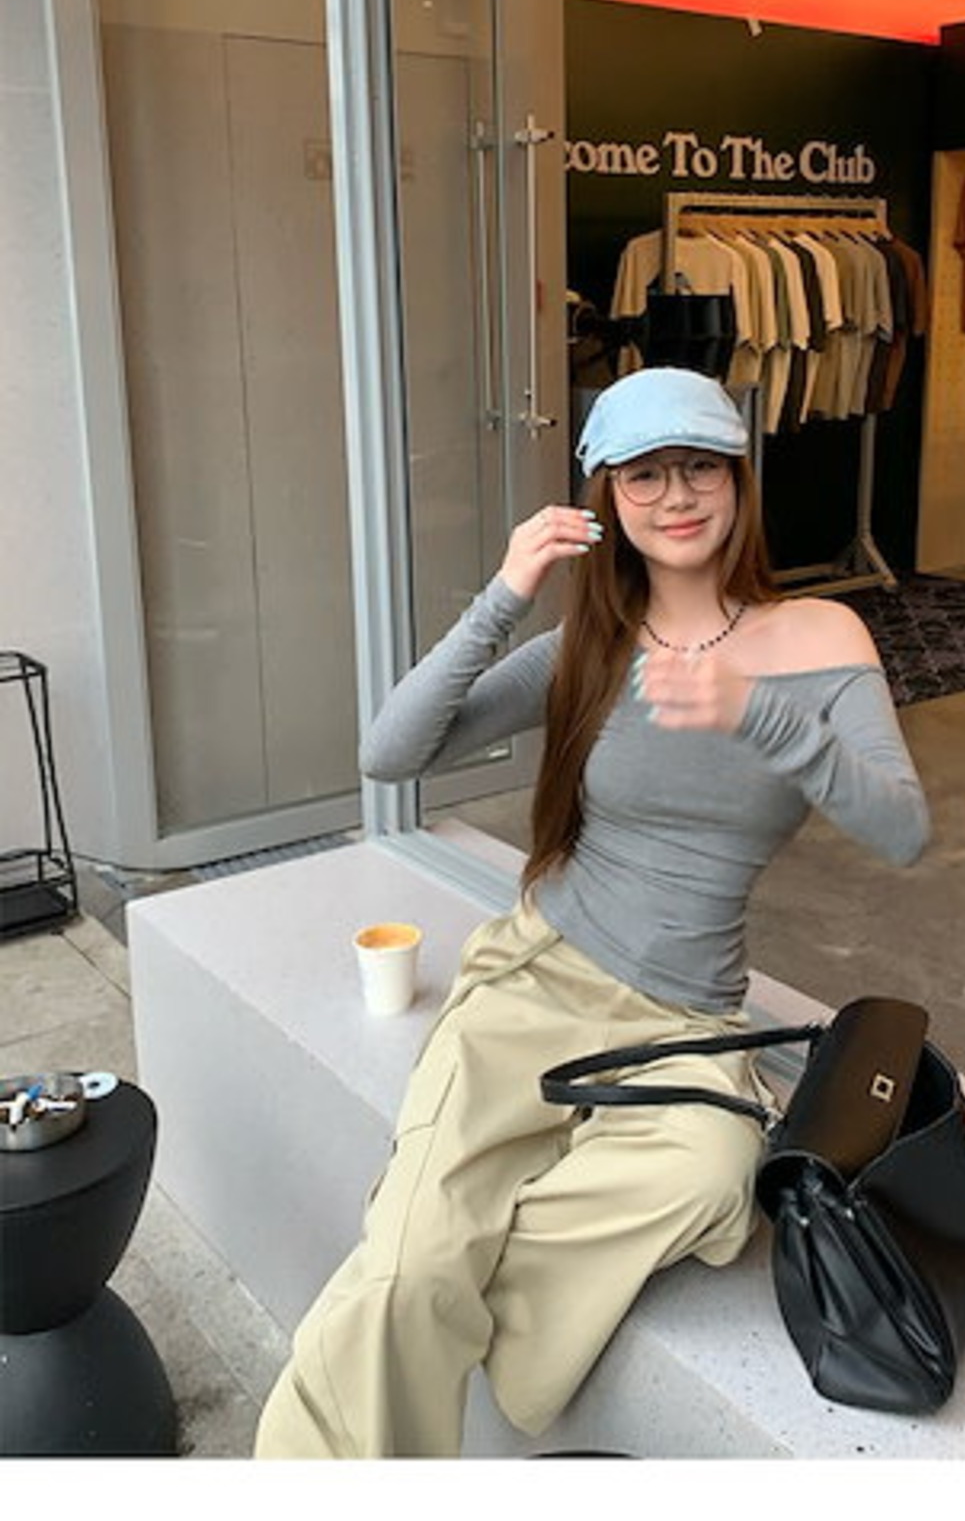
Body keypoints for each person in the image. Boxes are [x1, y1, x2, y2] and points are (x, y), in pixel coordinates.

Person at [255, 366, 929, 1458]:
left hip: (688, 1017)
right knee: (407, 1266)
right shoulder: (588, 646)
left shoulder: (819, 635)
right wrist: (504, 592)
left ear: (738, 479)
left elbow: (901, 827)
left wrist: (762, 716)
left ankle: (473, 1301)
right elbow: (390, 752)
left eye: (700, 466)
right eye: (643, 474)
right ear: (606, 498)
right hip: (538, 981)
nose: (677, 495)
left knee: (711, 1180)